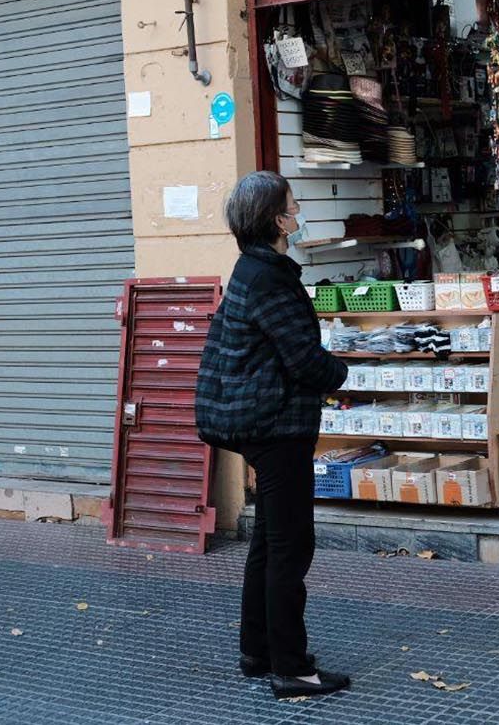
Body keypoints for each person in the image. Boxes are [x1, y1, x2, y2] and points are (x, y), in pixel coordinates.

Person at [196, 171, 351, 700]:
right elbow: (302, 357)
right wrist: (341, 374)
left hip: (260, 421)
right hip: (276, 424)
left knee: (268, 540)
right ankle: (291, 668)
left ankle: (256, 650)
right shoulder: (270, 278)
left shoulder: (251, 269)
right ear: (276, 221)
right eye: (292, 205)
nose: (298, 211)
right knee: (290, 546)